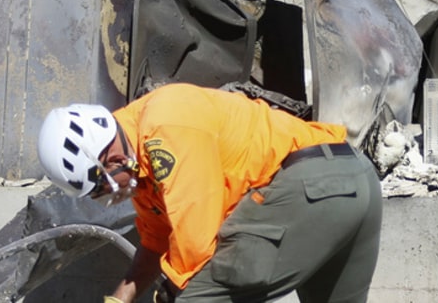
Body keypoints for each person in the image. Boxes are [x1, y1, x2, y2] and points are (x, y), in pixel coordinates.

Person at [37, 83, 382, 302]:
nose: (108, 197)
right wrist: (121, 298)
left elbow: (196, 244)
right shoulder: (140, 159)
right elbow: (157, 241)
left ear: (109, 157)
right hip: (355, 180)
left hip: (309, 185)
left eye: (103, 186)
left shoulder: (162, 131)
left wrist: (165, 297)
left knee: (194, 297)